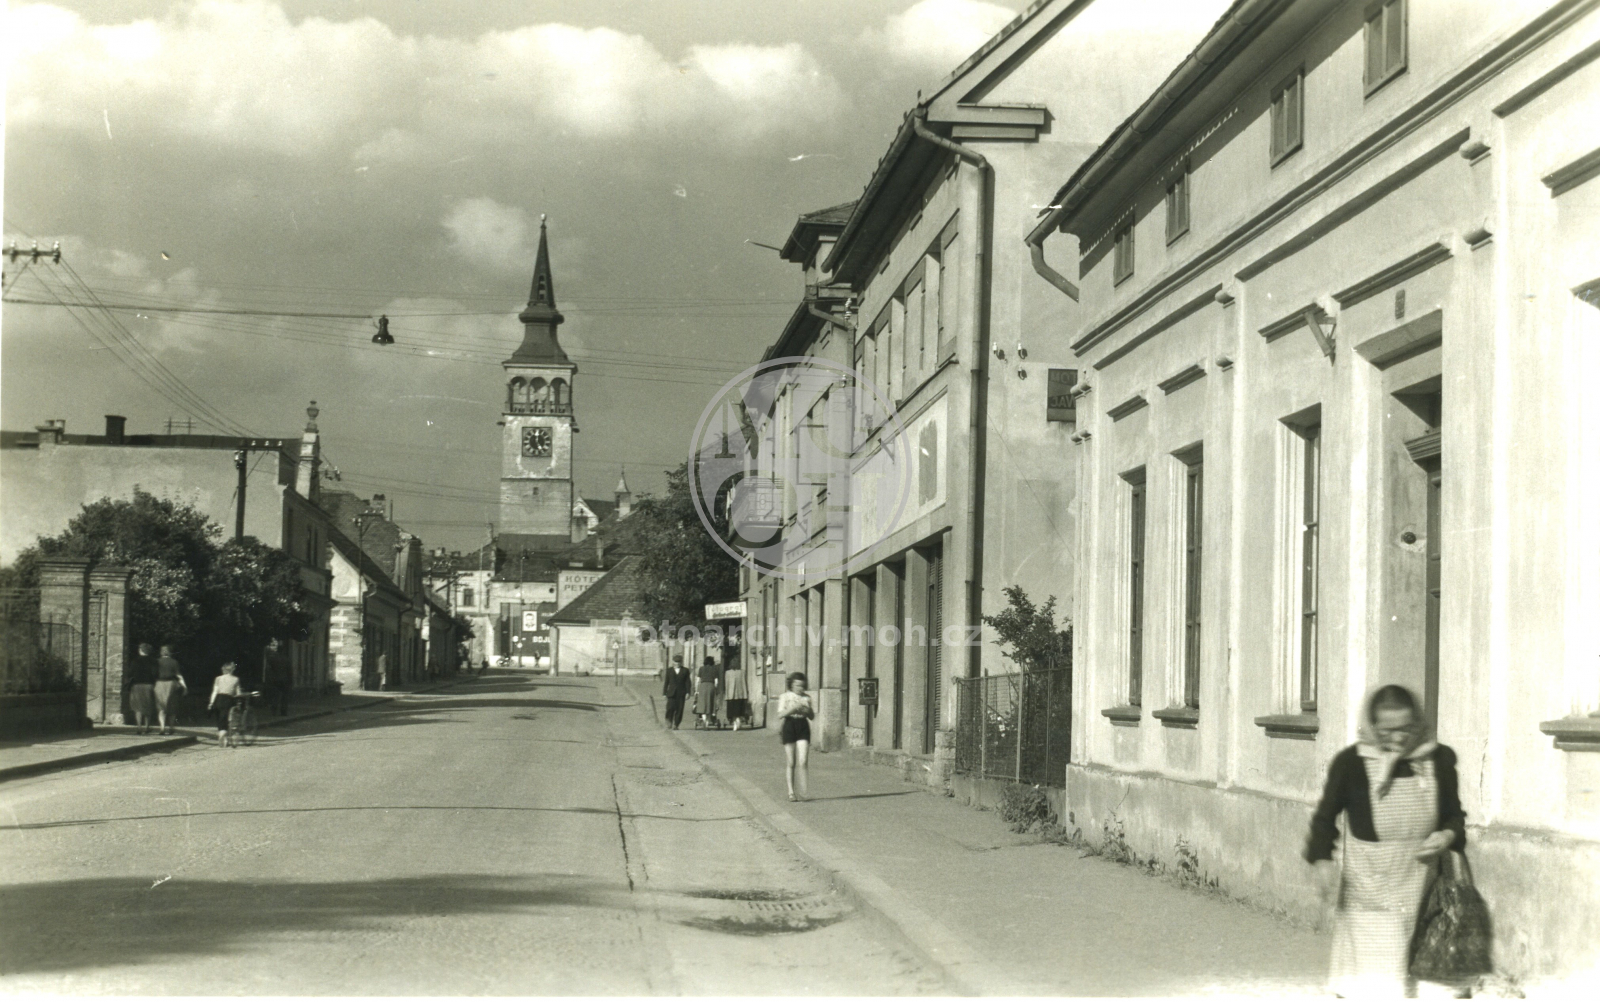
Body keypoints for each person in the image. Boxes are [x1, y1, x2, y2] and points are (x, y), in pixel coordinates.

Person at [1305, 684, 1466, 998]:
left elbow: (1454, 815)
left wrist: (1447, 834)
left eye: (1407, 728)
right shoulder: (1351, 764)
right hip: (1370, 888)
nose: (1398, 737)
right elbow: (1325, 819)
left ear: (1417, 722)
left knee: (1422, 981)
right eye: (1388, 730)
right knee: (1377, 981)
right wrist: (1322, 859)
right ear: (1373, 726)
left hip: (1422, 882)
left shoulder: (1438, 760)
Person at [777, 672, 815, 802]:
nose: (800, 688)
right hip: (789, 725)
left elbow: (812, 717)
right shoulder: (785, 696)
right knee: (791, 762)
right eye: (797, 685)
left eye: (802, 686)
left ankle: (804, 790)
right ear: (791, 685)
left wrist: (807, 710)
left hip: (803, 726)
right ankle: (791, 792)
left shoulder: (807, 698)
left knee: (803, 760)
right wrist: (794, 708)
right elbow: (781, 714)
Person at [208, 662, 244, 748]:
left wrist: (211, 703)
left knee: (220, 718)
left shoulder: (218, 678)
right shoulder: (235, 679)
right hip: (229, 699)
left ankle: (222, 735)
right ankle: (223, 735)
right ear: (232, 670)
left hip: (218, 699)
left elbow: (215, 691)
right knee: (227, 718)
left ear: (223, 670)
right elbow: (238, 693)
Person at [154, 645, 188, 735]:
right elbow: (179, 676)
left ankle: (162, 727)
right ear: (170, 652)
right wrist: (184, 686)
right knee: (172, 706)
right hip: (171, 685)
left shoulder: (157, 662)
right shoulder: (174, 662)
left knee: (161, 707)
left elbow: (153, 674)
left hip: (159, 684)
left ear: (161, 652)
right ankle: (171, 727)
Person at [125, 642, 159, 734]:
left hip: (137, 685)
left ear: (140, 650)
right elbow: (156, 674)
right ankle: (147, 727)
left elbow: (129, 673)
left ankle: (139, 727)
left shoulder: (135, 661)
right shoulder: (154, 661)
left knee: (138, 707)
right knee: (148, 706)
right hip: (149, 685)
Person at [262, 639, 292, 716]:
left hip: (275, 680)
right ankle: (283, 711)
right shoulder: (287, 659)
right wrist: (290, 680)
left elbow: (269, 670)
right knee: (284, 696)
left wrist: (269, 679)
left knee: (275, 696)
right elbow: (290, 671)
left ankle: (274, 711)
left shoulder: (272, 658)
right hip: (285, 680)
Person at [662, 654, 693, 729]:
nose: (677, 664)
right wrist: (664, 693)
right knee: (670, 708)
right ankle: (668, 721)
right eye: (675, 662)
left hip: (681, 692)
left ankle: (676, 724)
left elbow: (688, 682)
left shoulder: (685, 671)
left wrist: (688, 692)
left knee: (679, 709)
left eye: (679, 662)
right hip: (671, 693)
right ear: (673, 662)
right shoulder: (669, 670)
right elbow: (666, 682)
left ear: (681, 662)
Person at [723, 657, 751, 732]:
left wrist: (726, 694)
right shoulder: (742, 672)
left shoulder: (727, 673)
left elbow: (727, 684)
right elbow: (744, 683)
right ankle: (738, 721)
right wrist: (746, 694)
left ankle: (735, 722)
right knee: (739, 710)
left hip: (731, 695)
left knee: (732, 711)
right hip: (740, 694)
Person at [694, 655, 721, 729]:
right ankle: (708, 721)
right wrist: (715, 689)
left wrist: (696, 690)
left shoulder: (701, 669)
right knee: (710, 703)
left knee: (702, 703)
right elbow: (716, 681)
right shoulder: (714, 669)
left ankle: (704, 720)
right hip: (711, 686)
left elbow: (698, 680)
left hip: (703, 686)